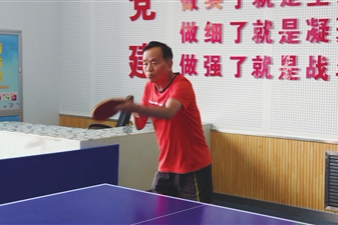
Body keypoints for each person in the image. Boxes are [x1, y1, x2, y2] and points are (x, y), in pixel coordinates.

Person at [115, 41, 213, 203]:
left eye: (154, 62)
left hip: (192, 166)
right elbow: (139, 125)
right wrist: (133, 110)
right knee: (161, 216)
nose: (148, 68)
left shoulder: (181, 85)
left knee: (199, 217)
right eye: (145, 63)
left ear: (169, 64)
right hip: (165, 166)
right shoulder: (149, 87)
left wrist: (136, 107)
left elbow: (169, 112)